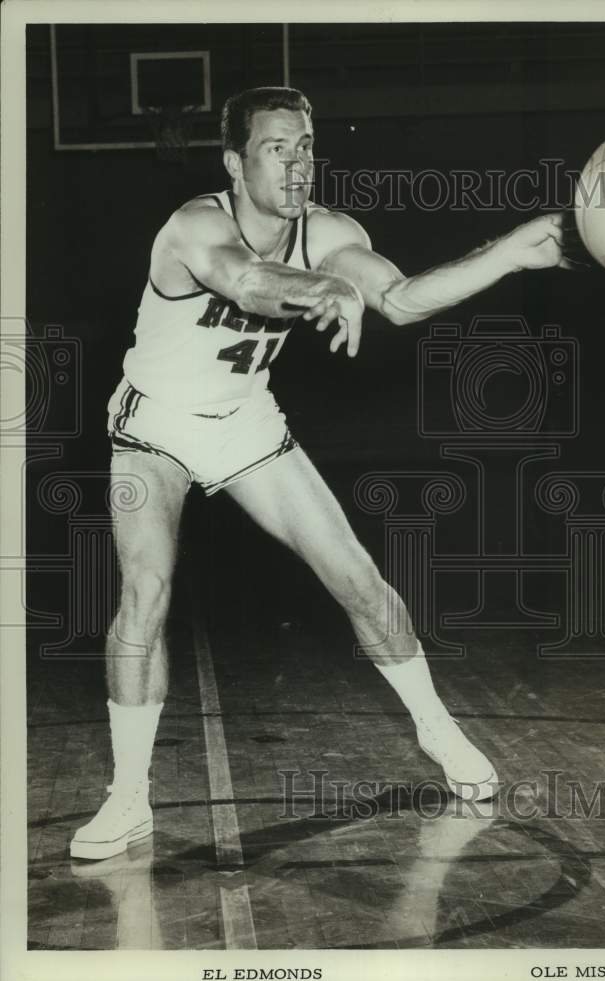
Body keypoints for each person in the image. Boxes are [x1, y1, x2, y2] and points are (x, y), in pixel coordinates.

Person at [70, 86, 565, 861]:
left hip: (245, 423)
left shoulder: (330, 230)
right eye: (277, 148)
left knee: (360, 580)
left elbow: (399, 300)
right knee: (146, 591)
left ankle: (437, 733)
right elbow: (245, 282)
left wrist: (506, 253)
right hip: (154, 426)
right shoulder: (195, 224)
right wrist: (323, 289)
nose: (298, 164)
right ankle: (127, 798)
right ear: (235, 163)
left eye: (305, 147)